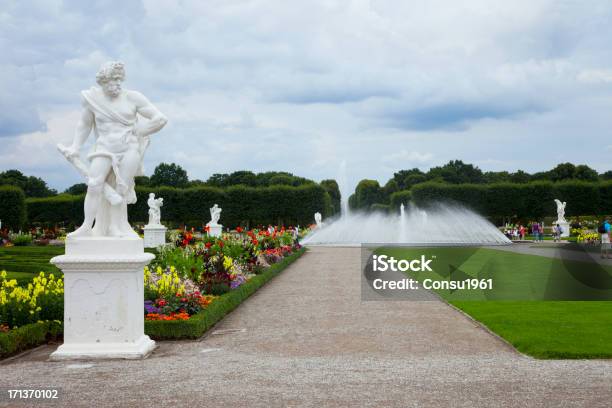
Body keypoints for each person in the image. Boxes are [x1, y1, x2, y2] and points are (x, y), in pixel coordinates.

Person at [59, 61, 168, 237]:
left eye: (119, 79)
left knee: (121, 189)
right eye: (113, 79)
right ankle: (87, 226)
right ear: (103, 80)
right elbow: (84, 125)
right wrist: (75, 147)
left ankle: (116, 227)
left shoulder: (133, 98)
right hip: (104, 148)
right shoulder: (92, 99)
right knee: (94, 184)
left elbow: (160, 119)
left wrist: (140, 130)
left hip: (129, 149)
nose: (117, 83)